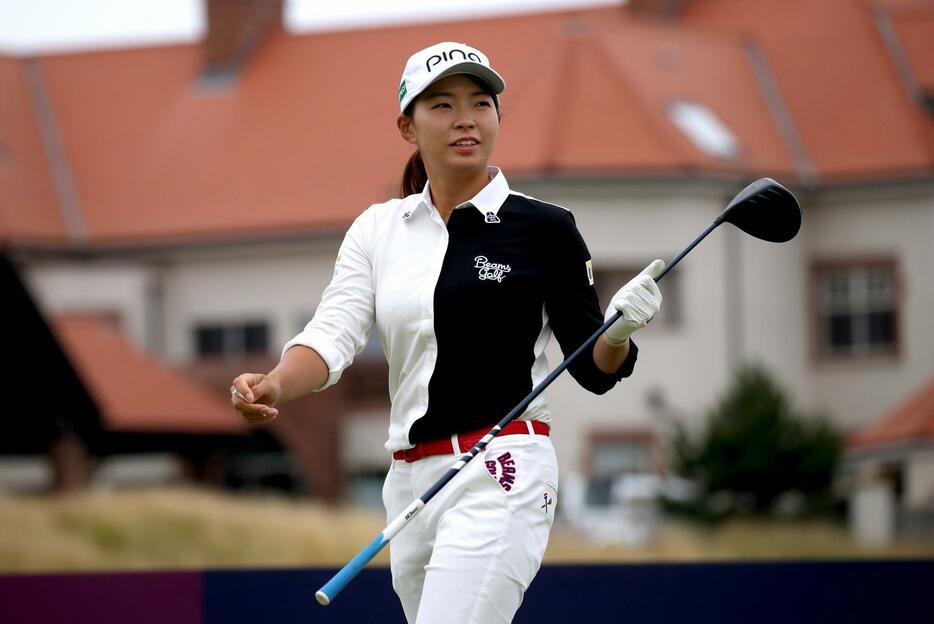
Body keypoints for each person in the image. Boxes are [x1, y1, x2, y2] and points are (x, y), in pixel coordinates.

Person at [230, 41, 663, 624]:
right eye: (441, 105)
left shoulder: (545, 230)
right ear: (407, 126)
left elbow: (593, 369)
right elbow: (333, 332)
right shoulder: (378, 230)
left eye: (480, 103)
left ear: (497, 118)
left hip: (502, 469)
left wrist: (620, 329)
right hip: (409, 483)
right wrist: (275, 385)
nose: (465, 118)